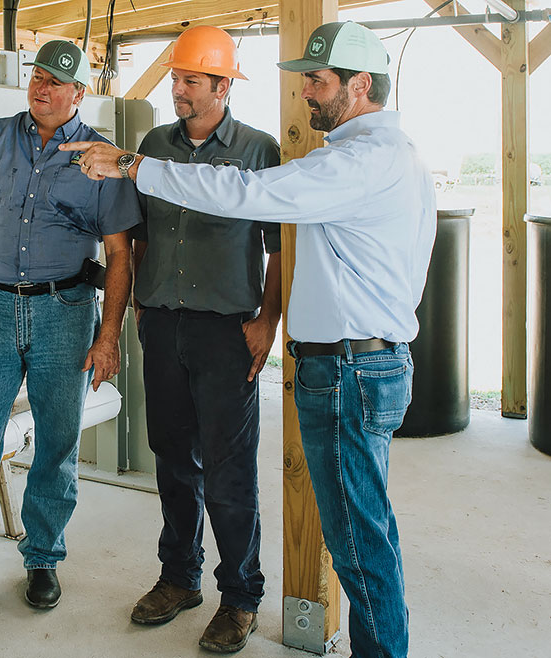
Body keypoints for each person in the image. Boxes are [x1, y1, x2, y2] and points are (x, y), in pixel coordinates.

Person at [62, 21, 435, 658]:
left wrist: (130, 164)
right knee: (352, 529)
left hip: (343, 365)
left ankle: (249, 597)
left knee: (353, 535)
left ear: (361, 85)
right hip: (328, 360)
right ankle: (181, 577)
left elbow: (248, 199)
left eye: (317, 82)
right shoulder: (356, 156)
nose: (309, 95)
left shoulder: (357, 160)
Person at [0, 39, 141, 622]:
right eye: (37, 76)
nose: (42, 88)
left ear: (79, 92)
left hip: (66, 311)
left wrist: (108, 336)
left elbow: (120, 254)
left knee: (58, 444)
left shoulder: (102, 158)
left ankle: (42, 558)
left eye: (56, 81)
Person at [127, 25, 281, 654]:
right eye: (175, 78)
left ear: (223, 86)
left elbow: (280, 247)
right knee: (171, 456)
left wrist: (267, 321)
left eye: (191, 80)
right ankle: (179, 577)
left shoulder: (257, 149)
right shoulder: (153, 144)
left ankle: (240, 595)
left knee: (228, 469)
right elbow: (138, 236)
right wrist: (140, 305)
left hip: (227, 331)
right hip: (163, 323)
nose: (178, 89)